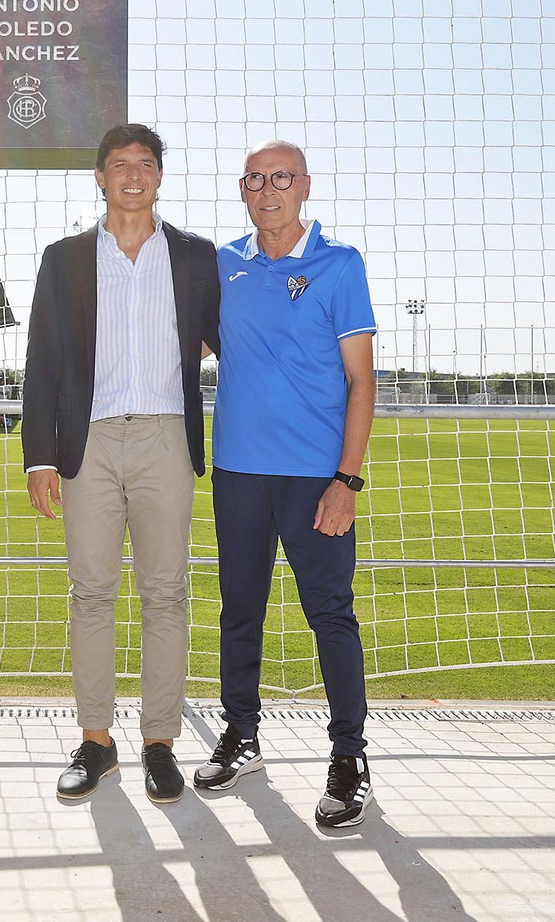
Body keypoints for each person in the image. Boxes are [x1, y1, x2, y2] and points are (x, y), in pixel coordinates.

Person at [21, 123, 219, 804]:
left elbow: (233, 343)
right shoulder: (65, 258)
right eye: (119, 164)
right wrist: (37, 456)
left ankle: (159, 741)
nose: (133, 174)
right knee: (91, 594)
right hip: (89, 442)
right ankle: (96, 741)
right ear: (99, 178)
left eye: (145, 163)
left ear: (160, 176)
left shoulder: (195, 256)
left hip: (167, 437)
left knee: (167, 593)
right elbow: (41, 361)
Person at [193, 139, 378, 828]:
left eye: (281, 178)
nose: (268, 190)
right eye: (255, 180)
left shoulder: (339, 265)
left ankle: (349, 758)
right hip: (238, 470)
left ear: (304, 186)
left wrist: (346, 479)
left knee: (330, 614)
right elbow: (191, 346)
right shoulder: (224, 265)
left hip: (315, 478)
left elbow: (362, 382)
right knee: (239, 609)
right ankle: (241, 734)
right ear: (242, 190)